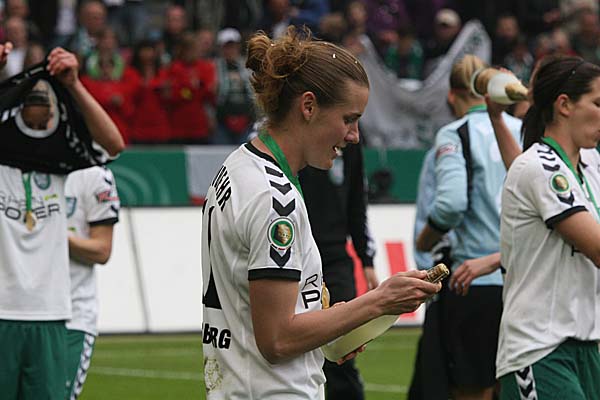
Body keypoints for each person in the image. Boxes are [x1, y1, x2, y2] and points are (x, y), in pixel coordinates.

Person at [201, 26, 440, 400]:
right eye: (349, 119)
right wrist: (379, 300)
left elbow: (269, 314)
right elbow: (277, 339)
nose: (354, 135)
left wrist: (337, 327)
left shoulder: (238, 167)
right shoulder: (274, 198)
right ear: (308, 106)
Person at [0, 44, 124, 400]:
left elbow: (113, 145)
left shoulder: (66, 163)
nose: (39, 107)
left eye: (47, 103)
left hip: (52, 313)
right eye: (30, 101)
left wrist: (74, 84)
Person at [415, 54, 522, 400]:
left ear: (452, 95)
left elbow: (450, 204)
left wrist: (425, 240)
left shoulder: (455, 133)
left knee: (472, 391)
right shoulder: (522, 129)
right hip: (523, 280)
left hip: (473, 281)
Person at [496, 56, 600, 400]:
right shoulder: (541, 167)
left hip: (587, 345)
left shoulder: (590, 163)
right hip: (540, 350)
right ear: (564, 105)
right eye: (598, 104)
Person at [299, 141, 378, 400]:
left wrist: (366, 259)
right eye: (349, 122)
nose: (354, 134)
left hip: (336, 260)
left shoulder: (351, 144)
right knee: (296, 353)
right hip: (294, 259)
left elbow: (357, 202)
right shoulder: (289, 139)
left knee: (342, 352)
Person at [63, 165, 119, 400]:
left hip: (72, 316)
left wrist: (55, 235)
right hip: (14, 312)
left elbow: (102, 250)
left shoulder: (93, 174)